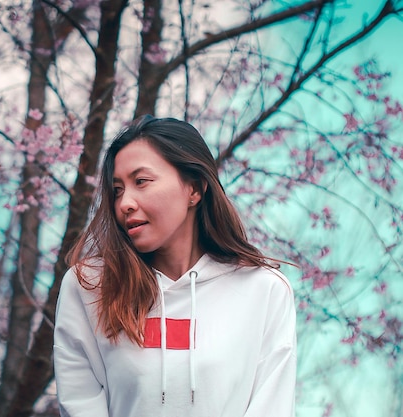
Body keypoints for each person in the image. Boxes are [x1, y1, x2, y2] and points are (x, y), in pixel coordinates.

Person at [53, 115, 297, 417]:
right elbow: (80, 404)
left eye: (141, 182)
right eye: (117, 189)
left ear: (194, 189)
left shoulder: (263, 289)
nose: (124, 203)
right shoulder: (90, 287)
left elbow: (271, 407)